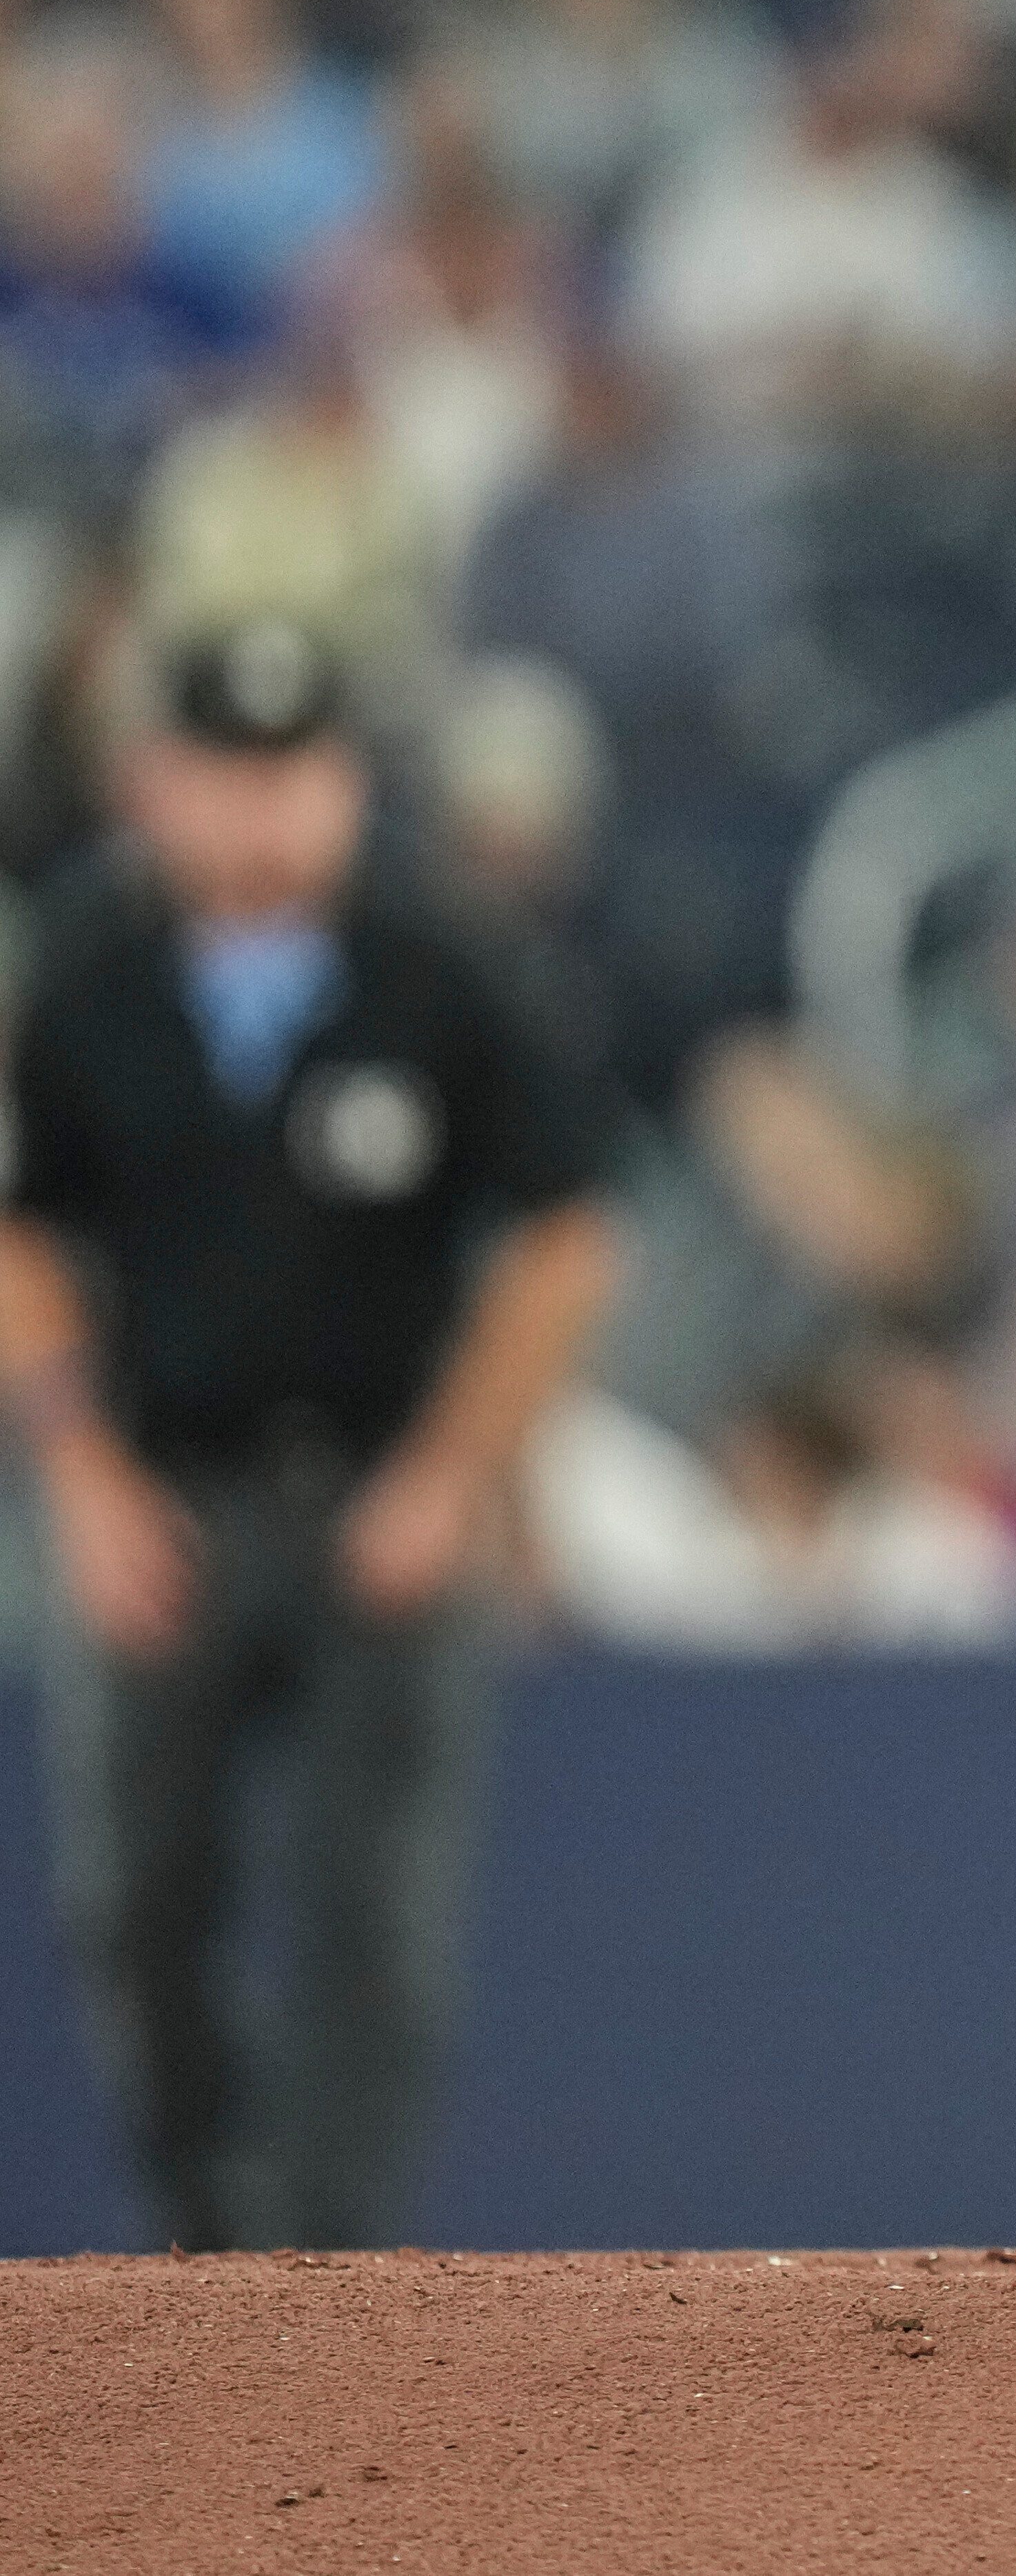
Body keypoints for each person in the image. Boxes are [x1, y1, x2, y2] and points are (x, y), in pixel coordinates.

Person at [4, 618, 620, 2248]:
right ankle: (205, 2240)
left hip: (379, 1496)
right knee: (140, 1900)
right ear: (153, 783)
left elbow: (569, 1230)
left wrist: (449, 1473)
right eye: (229, 772)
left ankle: (332, 2268)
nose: (266, 811)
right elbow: (18, 1225)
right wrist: (76, 1474)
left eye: (300, 772)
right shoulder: (85, 965)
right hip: (167, 1493)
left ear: (350, 782)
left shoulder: (442, 959)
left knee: (375, 1918)